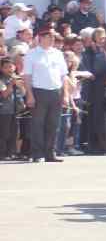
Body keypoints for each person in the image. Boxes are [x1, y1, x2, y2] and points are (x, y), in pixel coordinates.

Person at [23, 27, 69, 163]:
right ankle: (37, 153)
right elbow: (27, 77)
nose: (52, 39)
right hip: (39, 91)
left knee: (54, 124)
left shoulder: (58, 53)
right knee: (38, 124)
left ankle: (50, 153)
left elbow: (64, 76)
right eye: (49, 37)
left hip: (55, 91)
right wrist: (30, 95)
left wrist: (65, 94)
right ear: (41, 37)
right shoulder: (31, 54)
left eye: (53, 37)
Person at [0, 58, 24, 160]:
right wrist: (11, 83)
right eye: (6, 67)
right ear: (1, 68)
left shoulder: (16, 78)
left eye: (11, 66)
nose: (9, 69)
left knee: (15, 133)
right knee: (4, 133)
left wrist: (21, 86)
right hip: (4, 110)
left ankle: (11, 153)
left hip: (15, 110)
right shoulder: (1, 80)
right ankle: (2, 153)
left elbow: (23, 93)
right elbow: (5, 94)